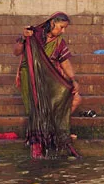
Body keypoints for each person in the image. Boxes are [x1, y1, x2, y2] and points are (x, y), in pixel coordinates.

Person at [15, 12, 80, 159]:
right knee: (37, 107)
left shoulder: (59, 42)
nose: (63, 31)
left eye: (65, 28)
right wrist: (24, 38)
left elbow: (64, 61)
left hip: (51, 77)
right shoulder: (33, 34)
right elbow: (16, 52)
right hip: (31, 77)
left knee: (71, 97)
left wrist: (73, 79)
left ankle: (52, 131)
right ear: (52, 23)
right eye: (61, 27)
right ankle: (38, 143)